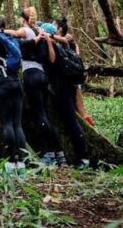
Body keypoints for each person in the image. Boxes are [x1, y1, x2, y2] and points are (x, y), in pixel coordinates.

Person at [6, 8, 62, 166]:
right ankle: (59, 153)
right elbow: (50, 57)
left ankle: (49, 154)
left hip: (31, 74)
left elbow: (15, 34)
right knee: (44, 114)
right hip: (42, 74)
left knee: (39, 116)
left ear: (22, 19)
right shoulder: (41, 33)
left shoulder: (26, 30)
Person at [43, 17, 90, 168]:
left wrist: (48, 39)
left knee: (71, 121)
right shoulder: (67, 45)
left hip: (62, 87)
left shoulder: (57, 46)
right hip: (71, 85)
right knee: (72, 119)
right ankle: (82, 155)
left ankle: (83, 157)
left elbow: (52, 61)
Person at [0, 16, 28, 175]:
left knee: (7, 124)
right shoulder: (12, 37)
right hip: (16, 83)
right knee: (17, 124)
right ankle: (22, 163)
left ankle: (12, 161)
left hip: (1, 84)